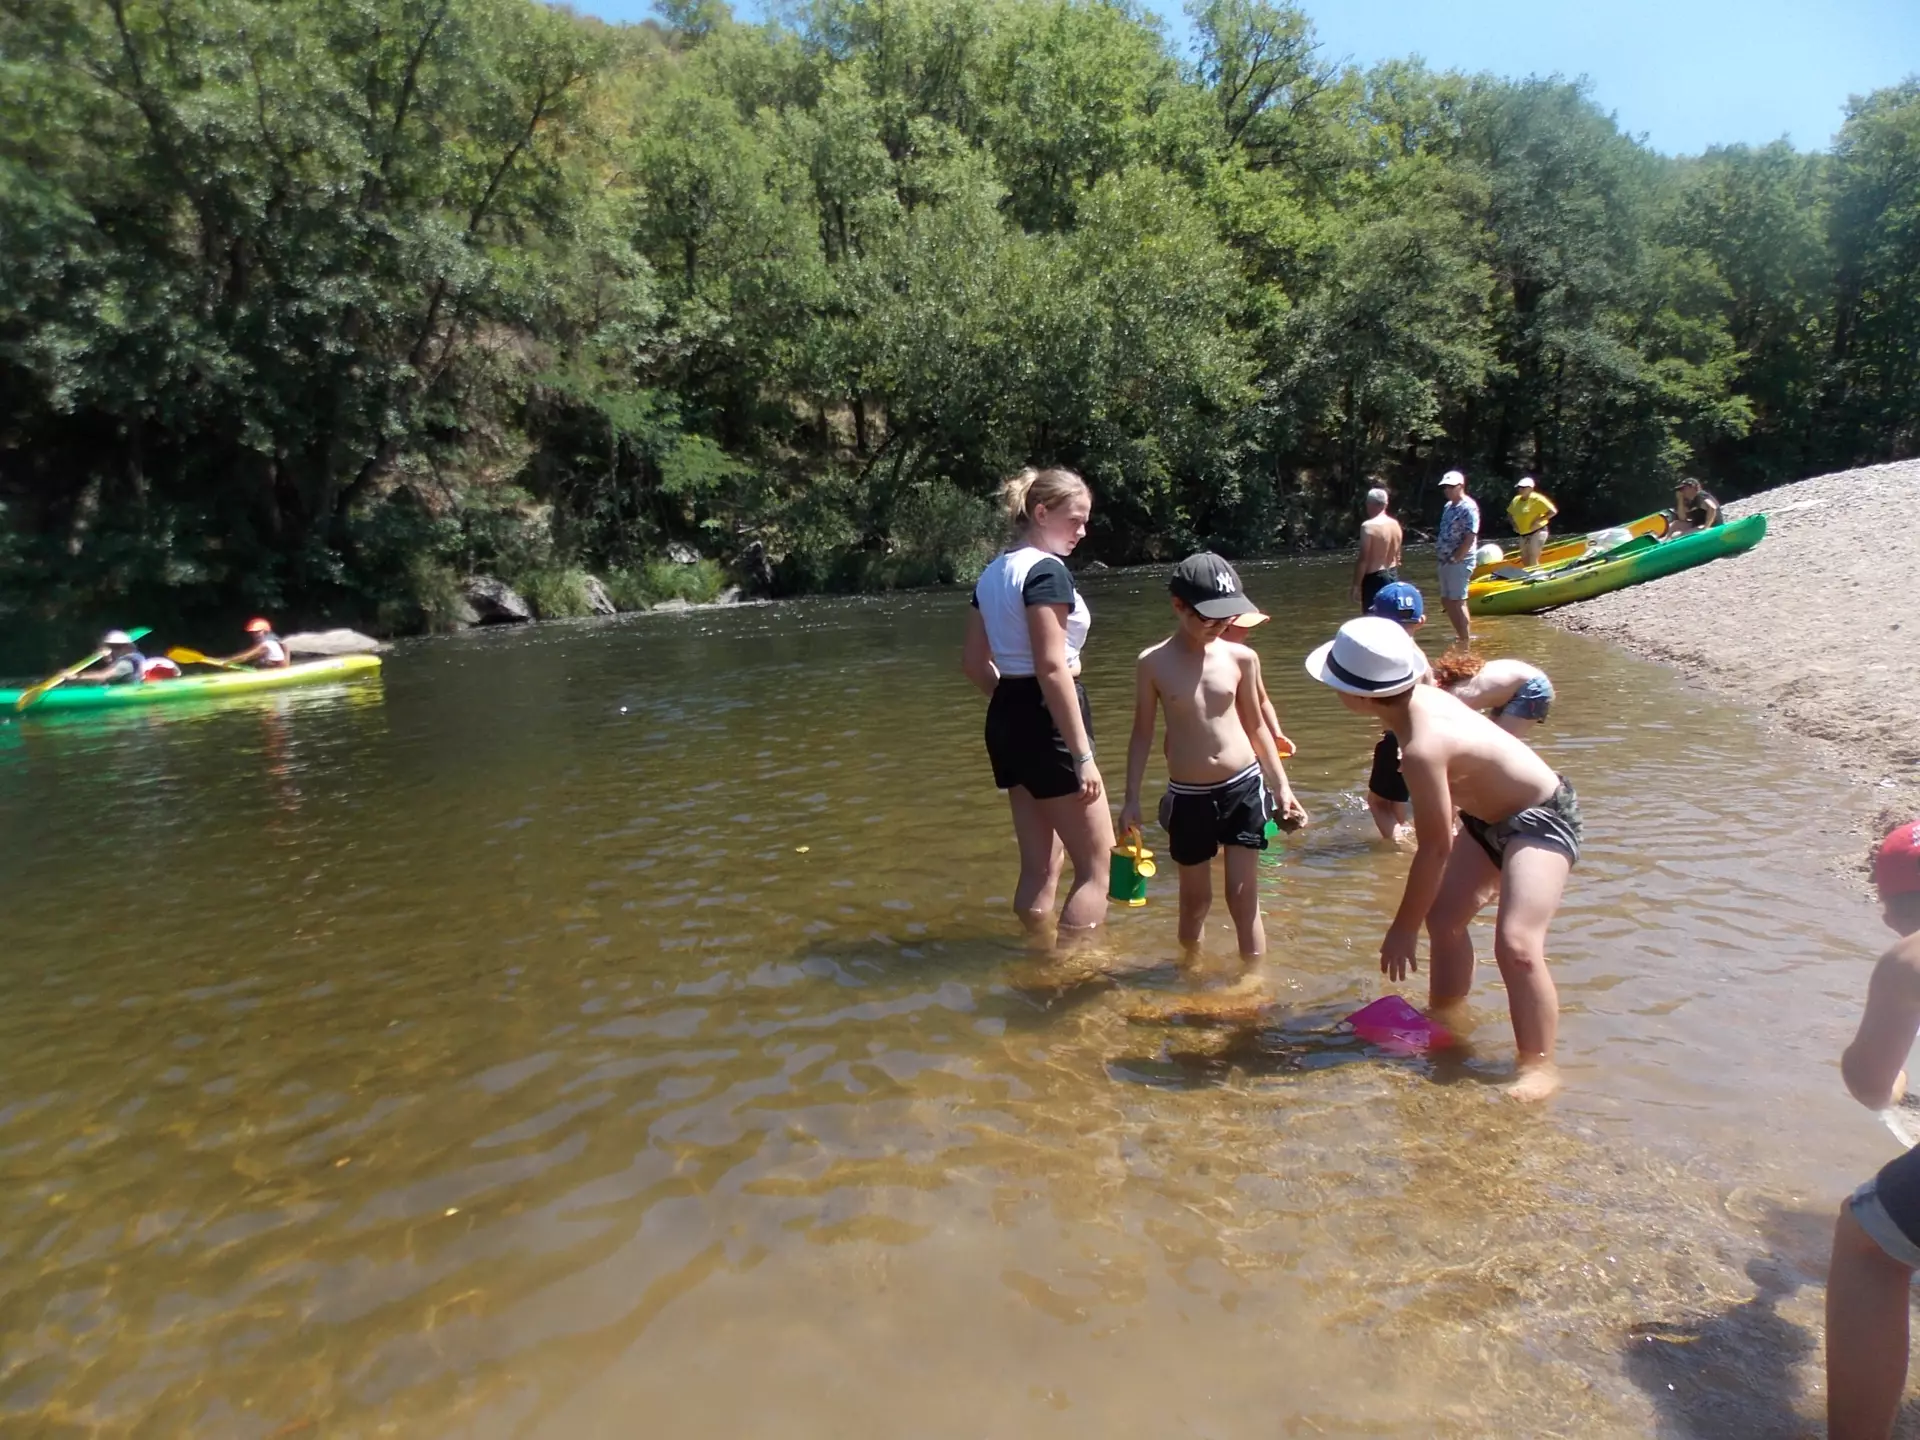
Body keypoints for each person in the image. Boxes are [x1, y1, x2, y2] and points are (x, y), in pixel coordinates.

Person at [1306, 616, 1581, 1101]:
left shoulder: (1421, 748)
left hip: (1541, 816)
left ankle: (1538, 1066)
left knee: (1517, 943)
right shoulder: (1420, 702)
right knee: (1446, 918)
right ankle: (1446, 1018)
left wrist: (1402, 927)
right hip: (1486, 821)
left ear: (1359, 697)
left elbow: (1435, 847)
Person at [1118, 554, 1295, 963]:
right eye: (1208, 618)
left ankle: (1253, 982)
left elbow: (1256, 727)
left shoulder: (1241, 659)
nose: (1217, 626)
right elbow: (1142, 733)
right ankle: (1189, 971)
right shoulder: (1153, 663)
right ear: (1178, 605)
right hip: (1188, 794)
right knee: (1195, 899)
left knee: (1243, 895)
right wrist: (1130, 798)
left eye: (1225, 618)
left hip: (1244, 786)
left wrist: (1282, 787)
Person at [962, 468, 1114, 934]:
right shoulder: (1046, 571)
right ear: (1042, 513)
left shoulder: (992, 572)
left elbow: (972, 662)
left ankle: (1037, 962)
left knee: (1040, 867)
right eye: (1075, 520)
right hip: (1048, 718)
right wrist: (1082, 755)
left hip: (1007, 714)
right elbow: (1051, 668)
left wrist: (1013, 706)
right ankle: (1076, 976)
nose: (1082, 532)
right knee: (1097, 868)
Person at [1825, 820, 1920, 1440]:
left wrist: (1897, 1085)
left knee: (1868, 1238)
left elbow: (1867, 1080)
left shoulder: (1908, 958)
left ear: (1891, 908)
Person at [1219, 608, 1308, 830]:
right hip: (1226, 744)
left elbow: (1263, 701)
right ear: (1225, 626)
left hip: (1252, 741)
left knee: (1258, 789)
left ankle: (1265, 832)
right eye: (1244, 628)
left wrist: (1276, 733)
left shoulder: (1248, 658)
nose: (1248, 633)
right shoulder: (1205, 661)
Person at [1360, 582, 1431, 845]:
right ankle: (1405, 836)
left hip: (1398, 740)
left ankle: (1400, 850)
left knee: (1377, 803)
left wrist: (1399, 746)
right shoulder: (1420, 657)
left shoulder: (1391, 656)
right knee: (1398, 803)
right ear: (1421, 620)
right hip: (1420, 737)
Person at [1430, 651, 1554, 737]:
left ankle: (1546, 775)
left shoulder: (1454, 697)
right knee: (1494, 738)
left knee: (1504, 745)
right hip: (1516, 678)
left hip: (1533, 687)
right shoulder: (1445, 684)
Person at [1434, 470, 1480, 646]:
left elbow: (1471, 535)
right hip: (1444, 559)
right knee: (1446, 600)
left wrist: (1457, 557)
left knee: (1458, 600)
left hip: (1460, 561)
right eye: (1445, 487)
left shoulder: (1469, 507)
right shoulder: (1448, 507)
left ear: (1461, 486)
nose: (1447, 490)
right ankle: (1459, 635)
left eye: (1451, 487)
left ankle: (1466, 640)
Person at [1351, 486, 1404, 611]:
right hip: (1393, 575)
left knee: (1373, 621)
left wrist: (1356, 586)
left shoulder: (1368, 526)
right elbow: (1398, 556)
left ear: (1370, 504)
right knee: (1391, 617)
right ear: (1386, 504)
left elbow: (1364, 559)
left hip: (1375, 579)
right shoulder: (1395, 525)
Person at [1506, 477, 1558, 569]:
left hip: (1538, 531)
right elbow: (1510, 514)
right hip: (1523, 534)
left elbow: (1553, 511)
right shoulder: (1516, 500)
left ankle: (1538, 577)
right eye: (1519, 487)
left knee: (1533, 557)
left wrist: (1540, 520)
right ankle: (1530, 576)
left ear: (1530, 488)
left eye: (1523, 487)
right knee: (1525, 560)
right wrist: (1514, 525)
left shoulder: (1537, 499)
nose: (1520, 489)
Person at [66, 630, 147, 687]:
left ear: (127, 647)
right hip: (129, 687)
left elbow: (103, 676)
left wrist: (77, 676)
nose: (110, 650)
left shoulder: (126, 663)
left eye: (115, 647)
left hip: (126, 693)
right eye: (109, 647)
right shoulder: (136, 655)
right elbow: (115, 667)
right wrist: (108, 659)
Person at [222, 617, 291, 669]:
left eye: (257, 632)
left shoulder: (267, 644)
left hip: (276, 672)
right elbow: (252, 656)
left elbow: (246, 656)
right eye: (252, 632)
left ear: (266, 632)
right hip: (271, 670)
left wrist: (227, 661)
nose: (254, 634)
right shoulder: (267, 642)